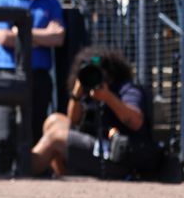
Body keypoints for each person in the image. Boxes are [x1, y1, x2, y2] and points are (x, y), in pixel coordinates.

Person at [0, 0, 65, 174]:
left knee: (34, 130)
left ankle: (33, 183)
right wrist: (41, 35)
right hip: (7, 73)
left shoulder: (50, 4)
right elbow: (3, 37)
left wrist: (21, 34)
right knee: (4, 133)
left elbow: (59, 37)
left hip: (38, 75)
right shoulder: (2, 1)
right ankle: (0, 182)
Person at [31, 46, 156, 179]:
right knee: (54, 120)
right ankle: (64, 176)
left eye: (98, 71)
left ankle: (24, 169)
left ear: (111, 71)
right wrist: (77, 94)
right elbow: (73, 121)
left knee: (55, 138)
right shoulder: (88, 89)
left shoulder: (127, 89)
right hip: (96, 146)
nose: (94, 75)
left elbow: (136, 122)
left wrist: (108, 97)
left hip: (121, 156)